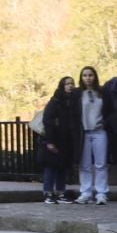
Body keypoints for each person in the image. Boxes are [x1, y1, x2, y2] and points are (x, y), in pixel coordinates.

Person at [39, 76, 82, 204]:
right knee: (51, 166)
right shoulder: (56, 101)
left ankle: (61, 192)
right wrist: (50, 141)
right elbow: (48, 120)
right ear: (62, 86)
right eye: (67, 84)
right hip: (55, 138)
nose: (70, 86)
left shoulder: (74, 101)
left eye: (72, 83)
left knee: (62, 167)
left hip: (67, 140)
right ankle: (48, 193)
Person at [74, 65, 110, 205]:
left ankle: (101, 193)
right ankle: (85, 192)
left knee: (101, 164)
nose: (88, 78)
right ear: (81, 78)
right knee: (85, 165)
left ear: (94, 77)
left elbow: (111, 110)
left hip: (99, 131)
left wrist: (105, 122)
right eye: (85, 75)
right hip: (84, 133)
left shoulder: (102, 92)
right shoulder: (77, 94)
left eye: (90, 75)